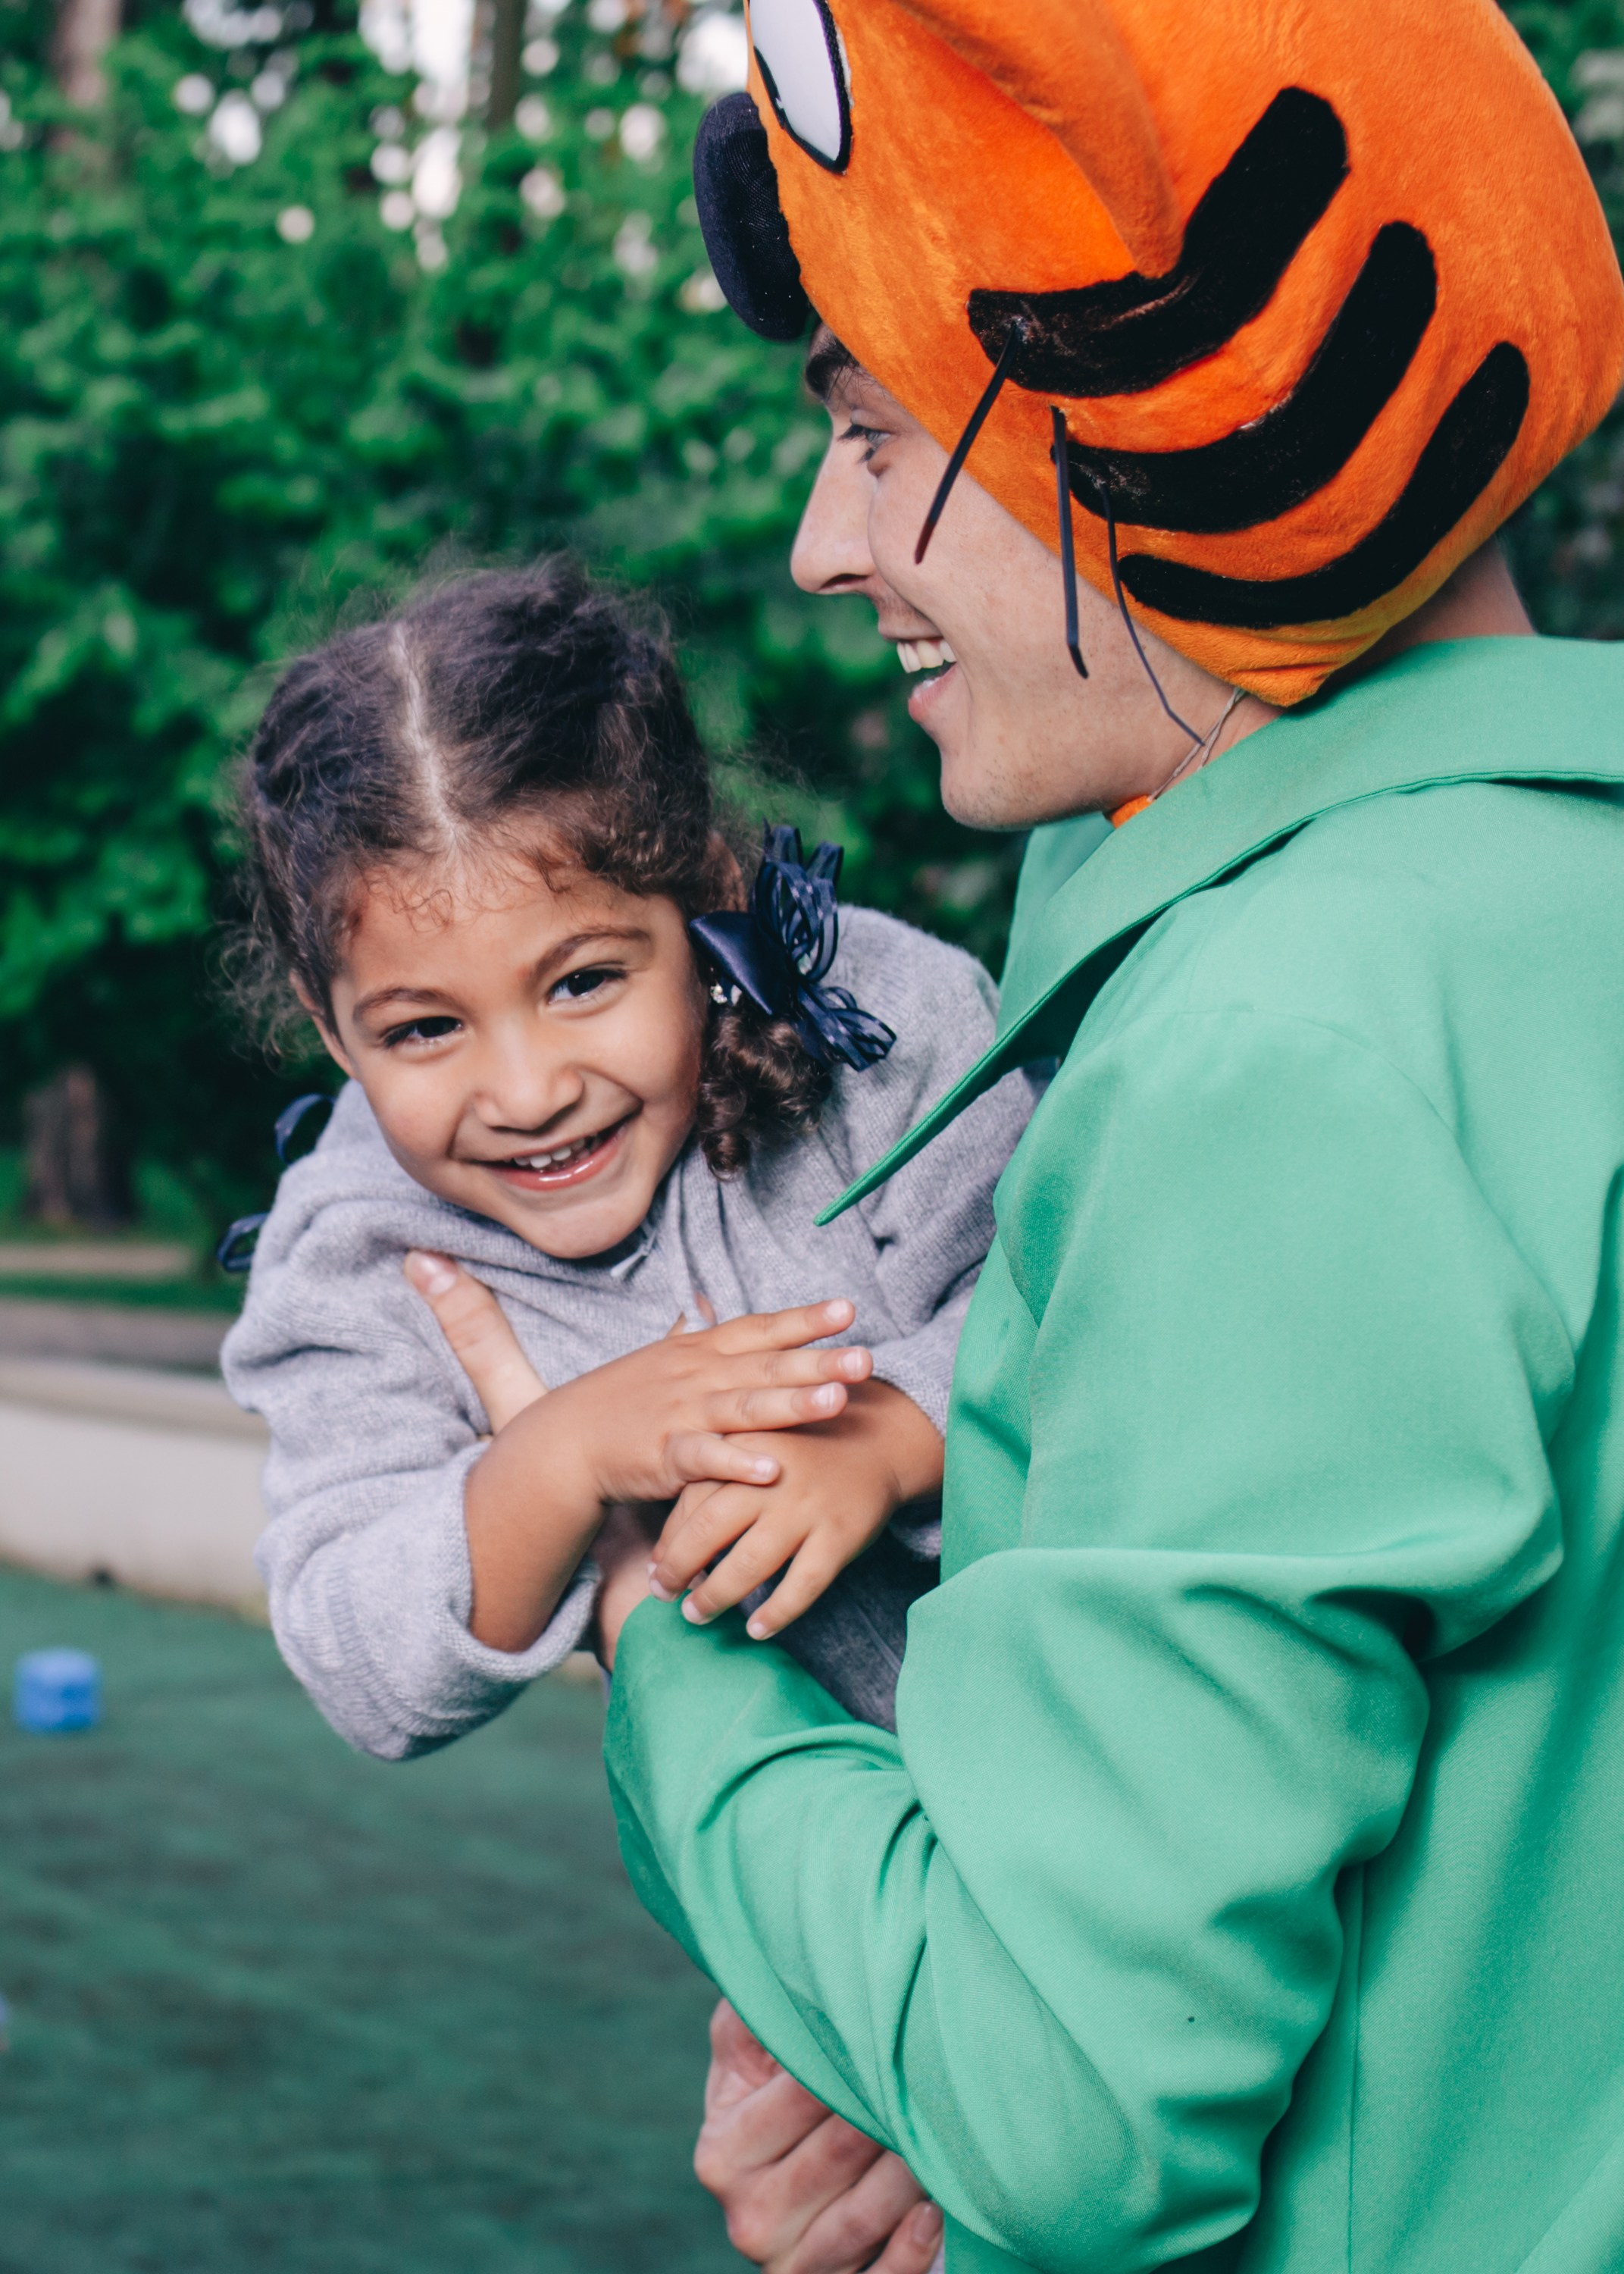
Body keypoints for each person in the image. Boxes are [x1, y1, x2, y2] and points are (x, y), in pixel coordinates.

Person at [586, 3, 1624, 2269]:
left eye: (872, 436)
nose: (819, 546)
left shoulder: (1286, 1042)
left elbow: (1077, 2117)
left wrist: (659, 1643)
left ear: (1174, 395)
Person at [220, 561, 1036, 1753]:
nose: (531, 1092)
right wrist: (561, 1460)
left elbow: (1087, 1301)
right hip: (825, 1854)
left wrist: (891, 1439)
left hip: (1119, 1724)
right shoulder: (355, 1254)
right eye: (425, 1029)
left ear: (705, 897)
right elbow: (361, 1658)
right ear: (329, 1026)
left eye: (585, 981)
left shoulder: (881, 1023)